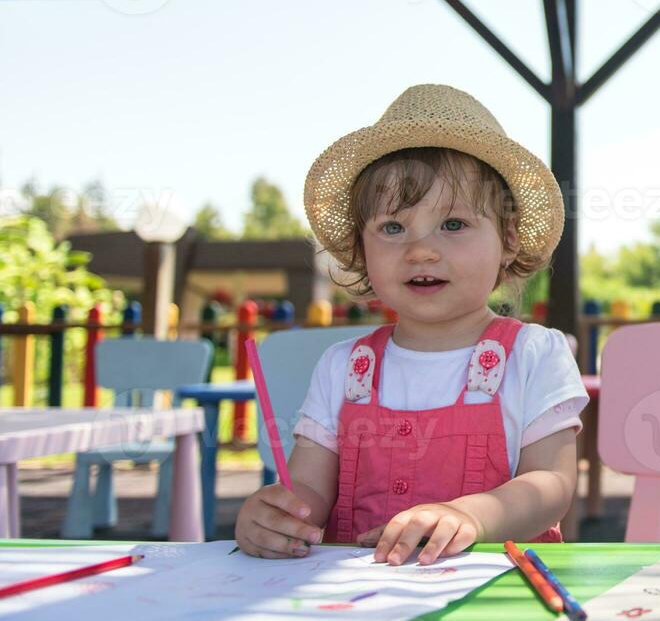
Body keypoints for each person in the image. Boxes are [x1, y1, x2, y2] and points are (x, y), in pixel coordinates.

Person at [235, 85, 588, 564]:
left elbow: (552, 486)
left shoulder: (534, 355)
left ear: (506, 240)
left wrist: (473, 515)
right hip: (352, 607)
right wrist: (275, 515)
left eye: (454, 224)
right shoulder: (343, 367)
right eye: (393, 228)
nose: (421, 250)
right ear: (362, 250)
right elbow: (308, 487)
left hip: (493, 602)